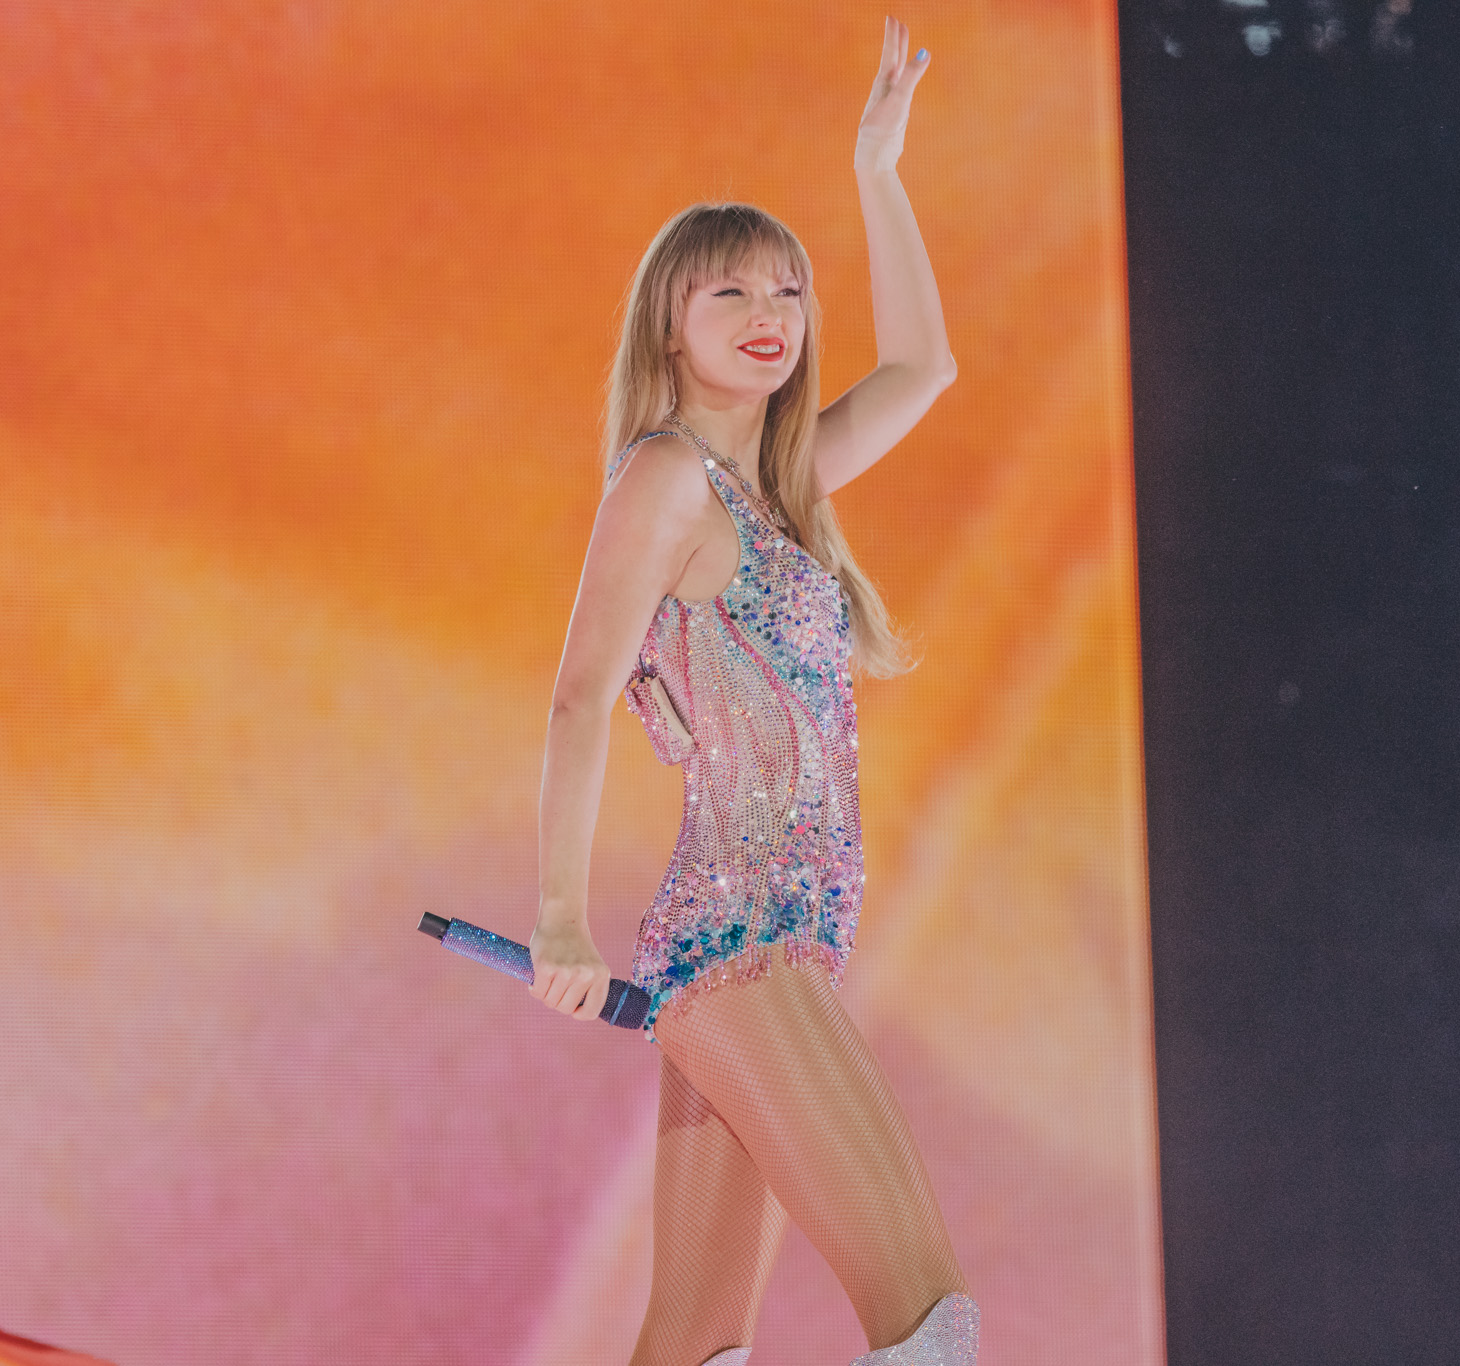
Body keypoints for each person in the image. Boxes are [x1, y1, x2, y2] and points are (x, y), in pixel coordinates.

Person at [528, 18, 975, 1366]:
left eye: (787, 288)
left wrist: (878, 173)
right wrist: (558, 916)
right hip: (740, 946)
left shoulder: (778, 490)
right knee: (929, 1316)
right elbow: (577, 696)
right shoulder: (666, 480)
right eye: (729, 290)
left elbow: (926, 369)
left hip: (773, 946)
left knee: (692, 1343)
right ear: (669, 324)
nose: (769, 309)